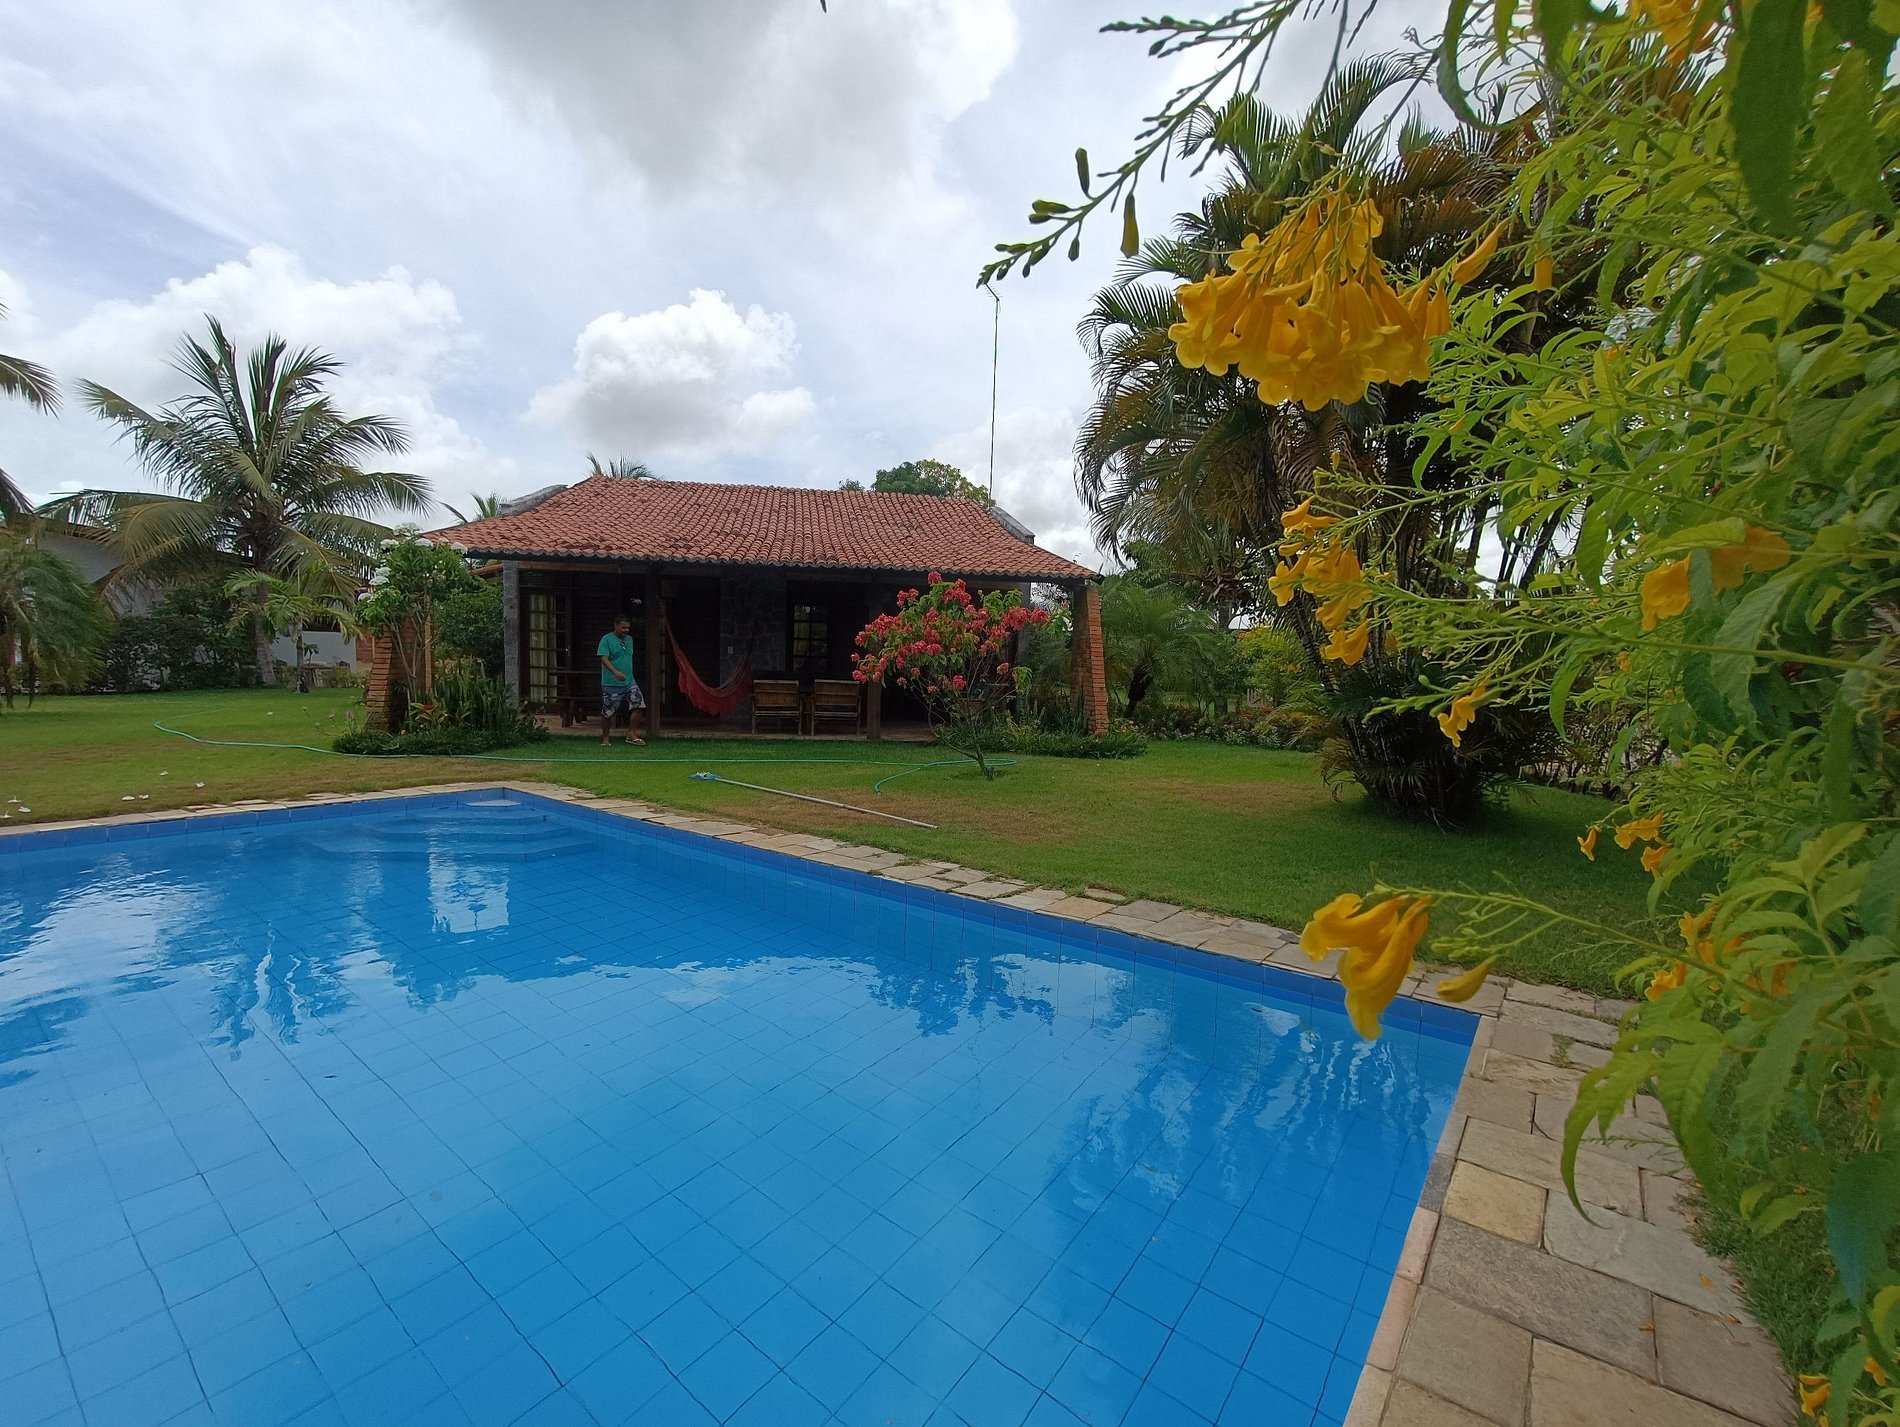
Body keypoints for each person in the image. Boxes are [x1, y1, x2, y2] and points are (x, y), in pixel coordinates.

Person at [598, 615, 646, 746]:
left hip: (629, 681)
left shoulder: (629, 640)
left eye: (628, 628)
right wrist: (615, 672)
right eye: (623, 627)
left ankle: (631, 734)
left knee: (639, 705)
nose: (626, 630)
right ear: (615, 625)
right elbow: (603, 658)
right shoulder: (606, 639)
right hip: (611, 682)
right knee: (608, 712)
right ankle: (605, 739)